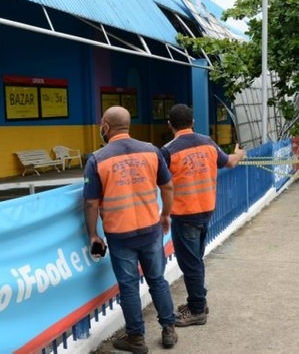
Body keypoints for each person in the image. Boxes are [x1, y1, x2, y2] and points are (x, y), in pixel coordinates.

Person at [83, 106, 178, 352]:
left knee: (128, 286)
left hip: (120, 234)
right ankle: (169, 329)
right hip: (150, 229)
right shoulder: (151, 151)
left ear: (105, 126)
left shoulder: (97, 159)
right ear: (128, 124)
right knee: (157, 279)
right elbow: (167, 187)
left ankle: (136, 338)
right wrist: (165, 214)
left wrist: (93, 234)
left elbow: (91, 202)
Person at [160, 103, 246, 327]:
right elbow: (230, 162)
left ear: (170, 125)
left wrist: (165, 213)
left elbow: (160, 182)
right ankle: (197, 302)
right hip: (206, 211)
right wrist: (238, 154)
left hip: (185, 214)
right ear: (193, 123)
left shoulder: (168, 151)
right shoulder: (208, 143)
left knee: (190, 264)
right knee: (195, 261)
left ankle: (198, 310)